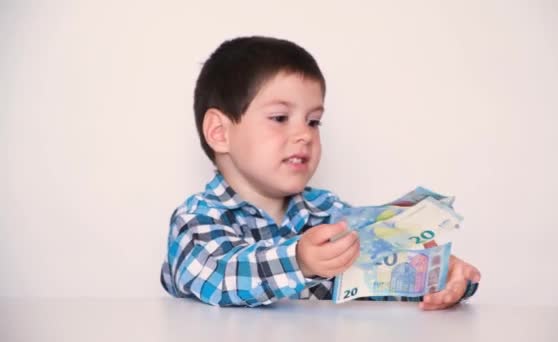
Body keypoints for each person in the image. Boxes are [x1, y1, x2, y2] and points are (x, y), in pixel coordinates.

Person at [160, 36, 480, 308]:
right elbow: (217, 274)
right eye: (280, 117)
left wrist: (442, 276)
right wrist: (297, 260)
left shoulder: (327, 213)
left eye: (313, 121)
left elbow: (379, 277)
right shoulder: (196, 220)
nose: (305, 134)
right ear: (219, 132)